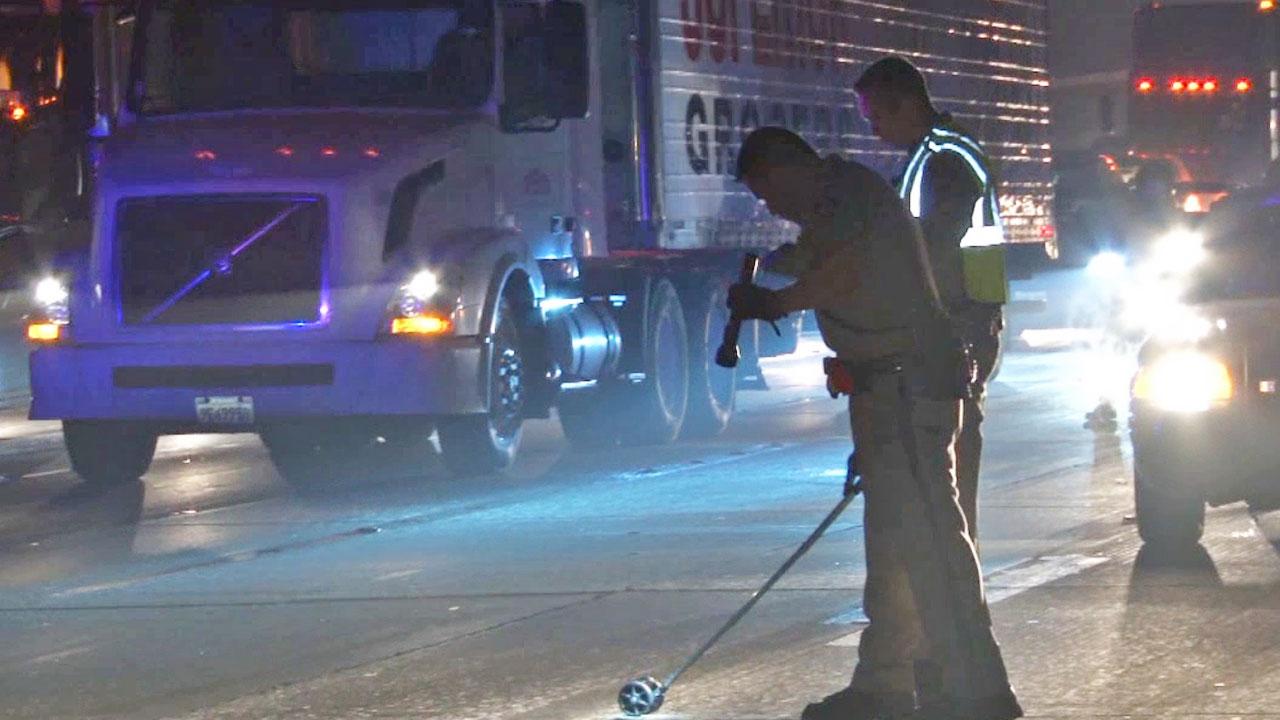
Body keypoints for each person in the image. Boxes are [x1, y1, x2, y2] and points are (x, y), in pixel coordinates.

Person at [727, 127, 1022, 720]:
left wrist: (775, 304)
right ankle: (884, 685)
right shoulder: (836, 205)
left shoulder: (848, 195)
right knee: (890, 547)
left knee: (932, 545)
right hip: (882, 390)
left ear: (788, 168)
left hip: (908, 383)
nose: (771, 208)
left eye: (768, 192)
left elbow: (846, 273)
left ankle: (978, 692)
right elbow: (823, 261)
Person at [854, 55, 1005, 554]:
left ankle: (958, 582)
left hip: (957, 322)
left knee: (951, 466)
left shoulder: (945, 158)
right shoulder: (936, 151)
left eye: (876, 116)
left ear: (903, 105)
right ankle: (956, 573)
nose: (873, 129)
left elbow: (936, 242)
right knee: (950, 462)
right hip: (963, 318)